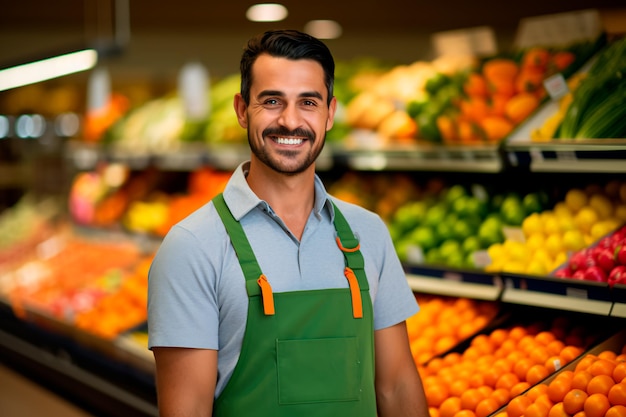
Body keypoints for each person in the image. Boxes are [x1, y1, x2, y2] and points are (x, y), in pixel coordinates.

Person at [147, 29, 429, 417]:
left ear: (330, 114)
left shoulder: (368, 234)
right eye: (272, 101)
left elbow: (396, 386)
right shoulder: (192, 246)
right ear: (242, 109)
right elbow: (188, 410)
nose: (290, 121)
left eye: (308, 102)